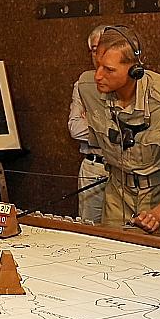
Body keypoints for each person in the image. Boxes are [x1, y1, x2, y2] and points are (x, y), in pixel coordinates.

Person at [76, 27, 160, 239]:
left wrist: (156, 214)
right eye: (96, 65)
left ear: (134, 70)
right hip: (117, 196)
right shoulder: (88, 87)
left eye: (108, 69)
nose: (98, 76)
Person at [67, 24, 109, 224]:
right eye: (94, 50)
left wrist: (92, 120)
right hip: (93, 167)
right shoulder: (83, 83)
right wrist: (111, 131)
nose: (99, 56)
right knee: (89, 228)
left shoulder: (134, 82)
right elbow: (75, 129)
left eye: (105, 49)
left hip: (125, 171)